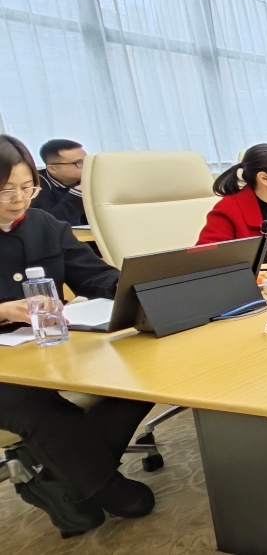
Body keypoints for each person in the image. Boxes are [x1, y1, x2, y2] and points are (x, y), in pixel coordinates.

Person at [0, 135, 157, 538]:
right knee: (36, 405)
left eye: (27, 187)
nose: (19, 200)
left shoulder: (44, 224)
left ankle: (57, 482)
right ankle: (103, 487)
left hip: (48, 348)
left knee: (143, 370)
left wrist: (137, 288)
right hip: (6, 371)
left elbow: (96, 276)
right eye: (5, 191)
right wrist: (3, 310)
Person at [31, 139, 88, 226]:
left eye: (87, 160)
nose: (87, 166)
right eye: (79, 163)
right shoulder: (36, 186)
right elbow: (45, 224)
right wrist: (76, 194)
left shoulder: (85, 179)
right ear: (52, 169)